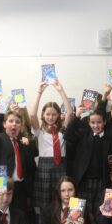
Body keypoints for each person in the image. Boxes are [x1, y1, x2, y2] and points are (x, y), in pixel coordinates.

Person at [0, 104, 36, 216]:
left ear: (21, 126)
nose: (14, 124)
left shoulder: (23, 142)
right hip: (0, 185)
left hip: (20, 188)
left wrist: (28, 146)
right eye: (11, 121)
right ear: (4, 124)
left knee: (18, 219)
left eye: (17, 122)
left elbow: (30, 167)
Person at [30, 80, 73, 209]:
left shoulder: (63, 130)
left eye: (54, 114)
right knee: (45, 203)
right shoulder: (40, 131)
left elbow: (70, 113)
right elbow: (32, 115)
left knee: (62, 201)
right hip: (45, 167)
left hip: (61, 166)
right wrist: (39, 92)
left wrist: (61, 90)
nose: (50, 117)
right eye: (48, 114)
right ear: (43, 115)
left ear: (59, 115)